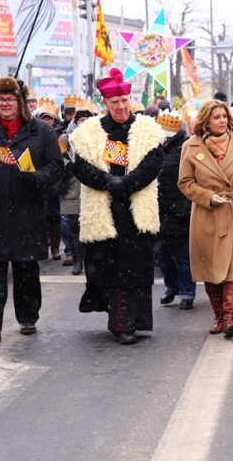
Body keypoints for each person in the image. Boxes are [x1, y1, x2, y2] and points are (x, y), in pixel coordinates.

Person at [0, 77, 63, 344]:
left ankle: (28, 316)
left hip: (28, 211)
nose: (6, 104)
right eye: (1, 99)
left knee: (26, 268)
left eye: (11, 99)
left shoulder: (41, 132)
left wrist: (37, 178)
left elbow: (56, 169)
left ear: (21, 103)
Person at [70, 68, 164, 345]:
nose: (121, 107)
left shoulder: (147, 130)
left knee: (133, 270)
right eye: (115, 102)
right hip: (104, 210)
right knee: (107, 269)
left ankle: (126, 323)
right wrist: (109, 182)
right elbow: (82, 169)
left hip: (135, 211)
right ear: (106, 104)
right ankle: (118, 318)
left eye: (124, 101)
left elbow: (152, 165)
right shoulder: (90, 133)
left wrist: (126, 184)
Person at [178, 99, 233, 338]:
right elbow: (185, 183)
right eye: (217, 117)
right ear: (206, 120)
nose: (223, 121)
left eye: (225, 116)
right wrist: (208, 196)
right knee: (212, 270)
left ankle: (229, 319)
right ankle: (218, 317)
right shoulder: (191, 146)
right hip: (207, 215)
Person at [156, 110, 196, 309]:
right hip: (158, 209)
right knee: (163, 254)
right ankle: (171, 286)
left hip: (181, 207)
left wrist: (187, 204)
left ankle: (187, 291)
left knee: (183, 255)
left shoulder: (186, 147)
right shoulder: (155, 147)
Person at [59, 102, 95, 274]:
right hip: (71, 188)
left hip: (92, 189)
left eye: (87, 120)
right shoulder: (65, 138)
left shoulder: (97, 138)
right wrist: (69, 165)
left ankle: (90, 260)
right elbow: (56, 159)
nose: (83, 123)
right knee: (74, 227)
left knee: (91, 226)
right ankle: (77, 259)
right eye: (81, 120)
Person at [34, 100, 64, 260]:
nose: (47, 121)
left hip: (54, 181)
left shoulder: (60, 136)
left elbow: (64, 159)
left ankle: (55, 247)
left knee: (54, 216)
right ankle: (42, 246)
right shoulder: (34, 134)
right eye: (44, 118)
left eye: (49, 118)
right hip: (38, 180)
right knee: (40, 216)